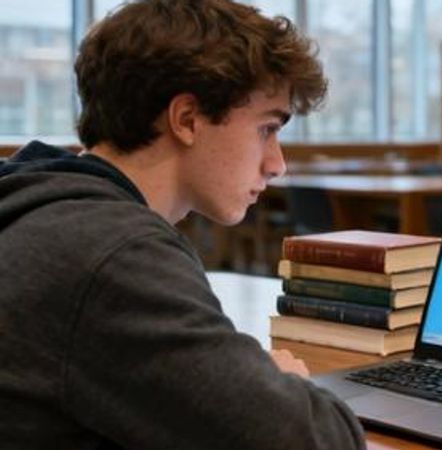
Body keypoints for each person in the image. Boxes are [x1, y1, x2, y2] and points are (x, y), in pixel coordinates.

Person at [0, 0, 365, 449]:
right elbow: (315, 440)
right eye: (266, 129)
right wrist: (278, 381)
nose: (278, 165)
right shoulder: (114, 253)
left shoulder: (42, 207)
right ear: (187, 119)